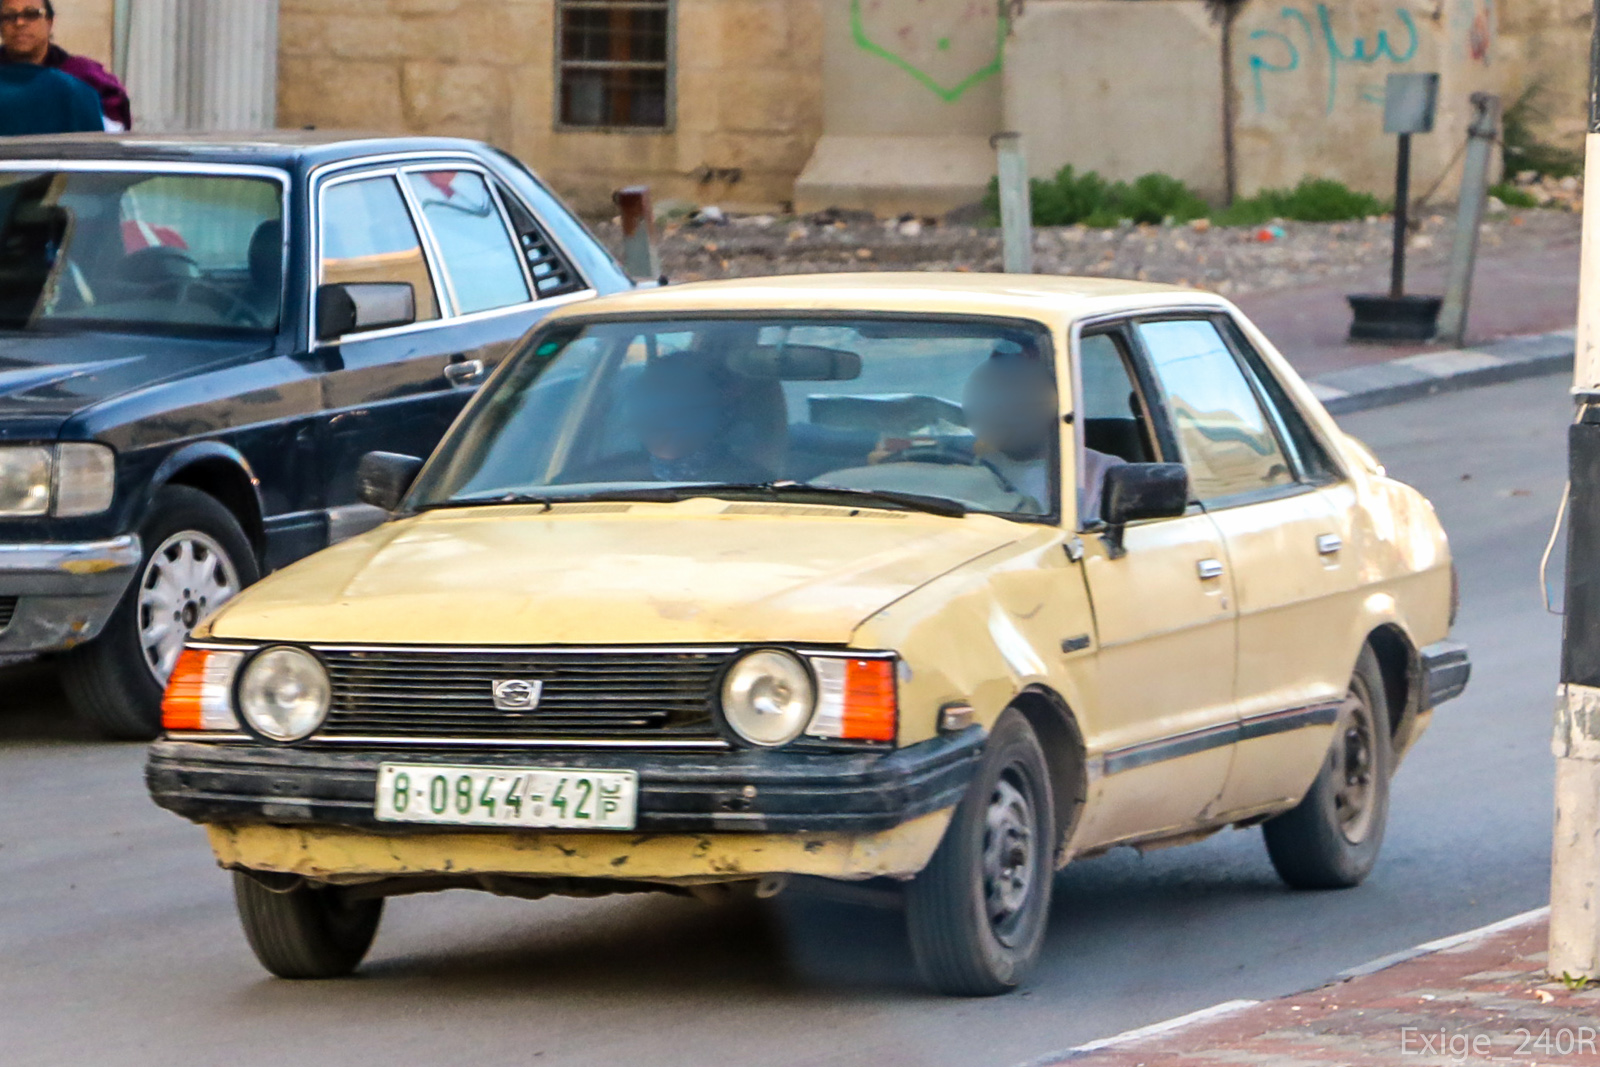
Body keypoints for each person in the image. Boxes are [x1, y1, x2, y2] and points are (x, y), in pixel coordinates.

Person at [962, 345, 1124, 520]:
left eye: (1022, 392)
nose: (1005, 406)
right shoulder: (958, 465)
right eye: (994, 392)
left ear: (1056, 402)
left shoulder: (1103, 474)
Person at [628, 352, 772, 484]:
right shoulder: (612, 478)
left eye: (680, 395)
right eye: (648, 393)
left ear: (721, 407)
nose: (658, 410)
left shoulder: (750, 485)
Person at [0, 0, 131, 130]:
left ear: (49, 22)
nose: (19, 23)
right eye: (8, 16)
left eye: (31, 14)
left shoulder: (82, 76)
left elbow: (112, 134)